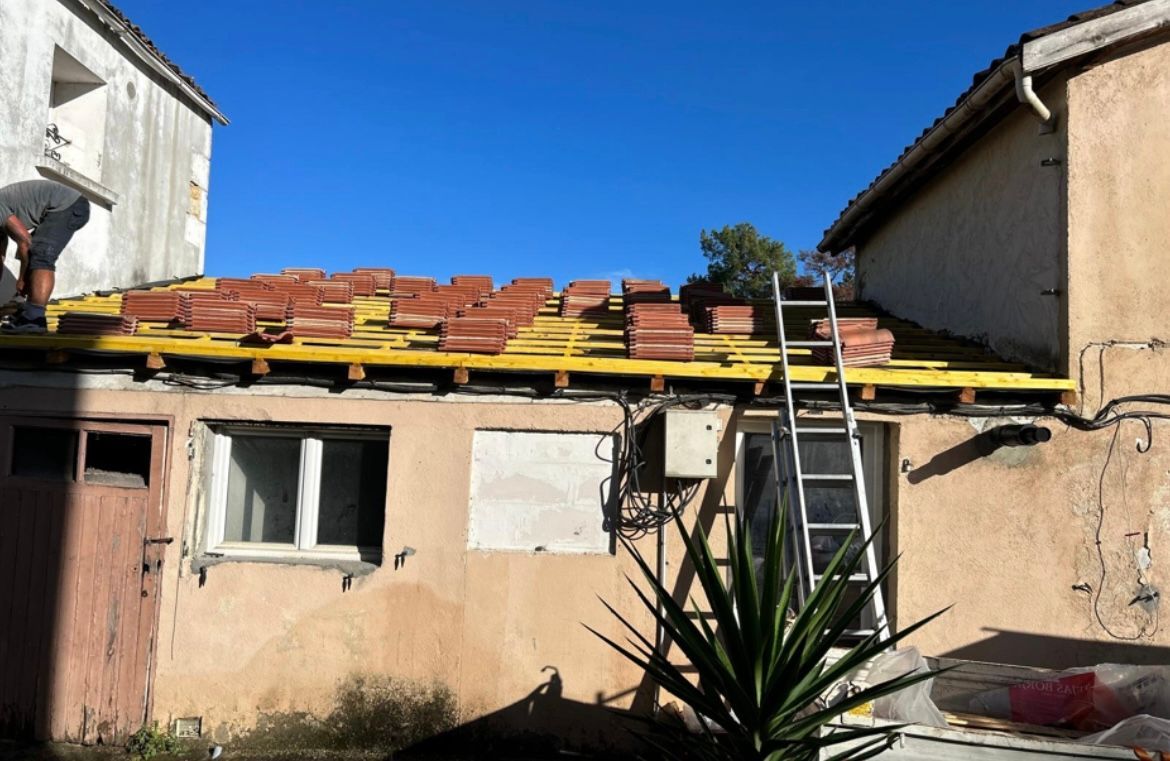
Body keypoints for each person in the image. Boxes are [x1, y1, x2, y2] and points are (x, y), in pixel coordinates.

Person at [0, 179, 91, 333]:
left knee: (40, 254)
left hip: (68, 205)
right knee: (34, 253)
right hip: (63, 206)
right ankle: (26, 312)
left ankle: (34, 319)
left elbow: (25, 241)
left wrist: (22, 278)